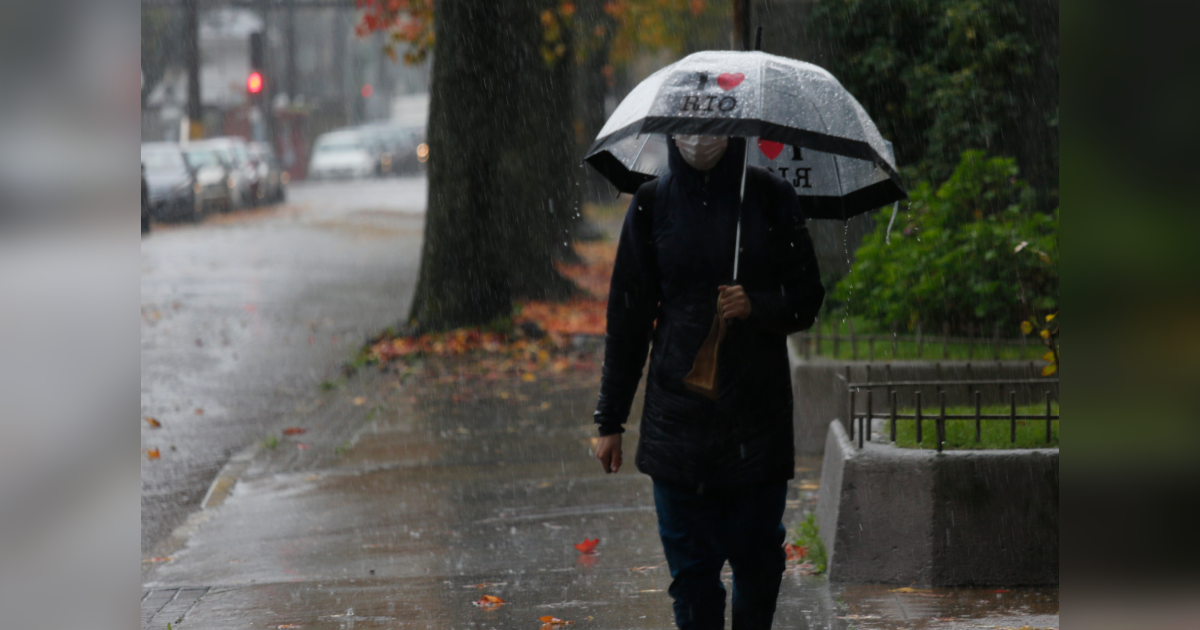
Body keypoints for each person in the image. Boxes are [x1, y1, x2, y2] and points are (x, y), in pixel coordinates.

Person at [593, 134, 824, 630]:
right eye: (687, 126)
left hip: (756, 424)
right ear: (671, 130)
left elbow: (807, 296)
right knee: (693, 581)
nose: (699, 138)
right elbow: (629, 320)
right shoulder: (652, 204)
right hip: (678, 427)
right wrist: (609, 418)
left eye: (713, 125)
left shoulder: (770, 197)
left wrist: (758, 305)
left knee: (758, 569)